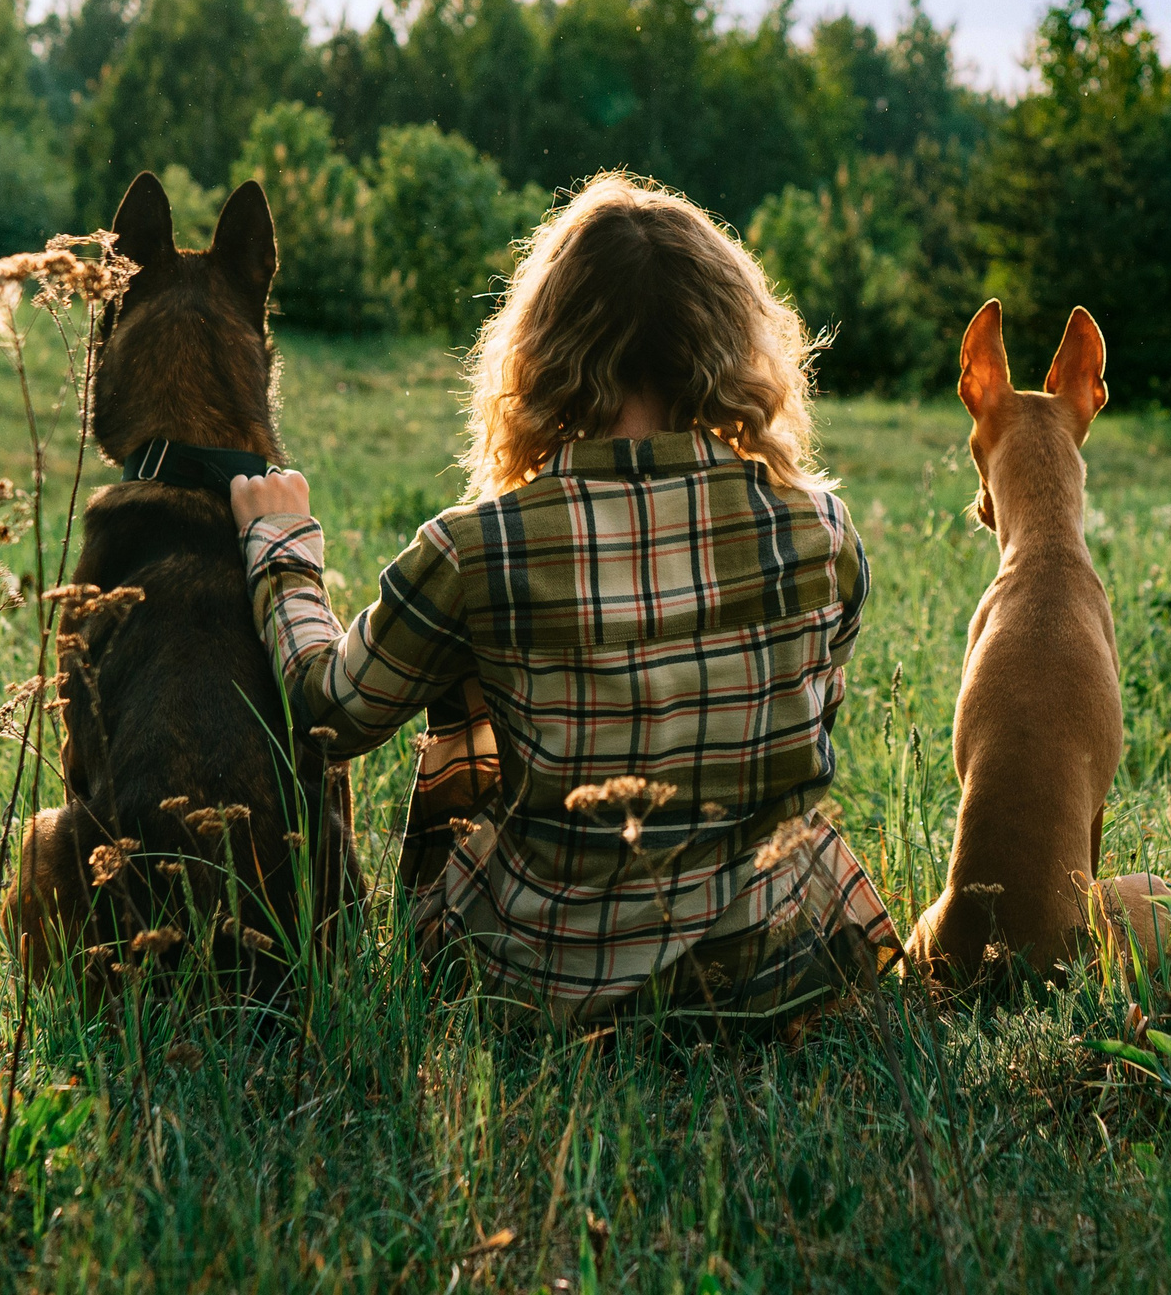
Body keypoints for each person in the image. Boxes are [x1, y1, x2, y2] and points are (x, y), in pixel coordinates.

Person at [229, 172, 899, 1029]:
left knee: (477, 672)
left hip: (549, 994)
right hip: (783, 972)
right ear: (735, 340)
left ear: (543, 349)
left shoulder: (476, 547)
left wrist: (283, 552)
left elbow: (333, 712)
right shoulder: (823, 528)